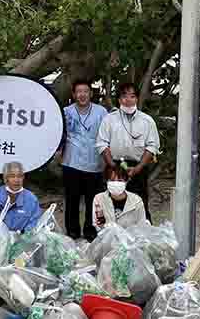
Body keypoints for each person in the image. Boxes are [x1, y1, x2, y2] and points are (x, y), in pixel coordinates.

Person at [95, 82, 160, 222]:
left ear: (136, 98)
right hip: (114, 166)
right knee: (112, 201)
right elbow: (101, 143)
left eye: (132, 96)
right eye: (124, 96)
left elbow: (152, 146)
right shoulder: (109, 119)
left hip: (138, 166)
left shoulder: (147, 121)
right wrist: (112, 165)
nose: (128, 100)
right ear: (119, 99)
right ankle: (111, 232)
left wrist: (138, 168)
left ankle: (143, 232)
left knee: (140, 200)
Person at [58, 79, 108, 241]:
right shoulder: (65, 112)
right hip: (71, 162)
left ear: (90, 93)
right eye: (78, 92)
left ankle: (91, 231)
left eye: (85, 91)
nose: (82, 95)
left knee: (93, 202)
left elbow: (108, 134)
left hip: (95, 163)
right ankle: (72, 232)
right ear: (73, 94)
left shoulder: (101, 112)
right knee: (71, 200)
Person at [0, 162, 42, 233]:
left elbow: (34, 222)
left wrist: (23, 234)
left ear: (23, 177)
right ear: (6, 178)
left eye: (19, 176)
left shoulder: (31, 199)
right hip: (0, 239)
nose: (16, 180)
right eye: (12, 176)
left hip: (22, 240)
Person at [93, 164, 146, 231]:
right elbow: (97, 225)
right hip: (107, 238)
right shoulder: (98, 199)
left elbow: (142, 224)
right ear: (106, 181)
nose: (116, 183)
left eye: (120, 180)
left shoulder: (137, 200)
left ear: (126, 181)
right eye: (112, 180)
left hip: (131, 239)